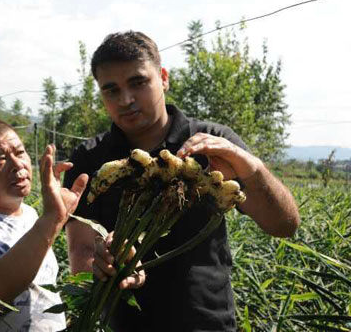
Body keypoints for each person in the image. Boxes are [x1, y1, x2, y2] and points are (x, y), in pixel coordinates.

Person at [63, 31, 300, 331]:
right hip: (122, 324)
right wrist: (106, 264)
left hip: (206, 322)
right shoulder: (90, 160)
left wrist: (250, 166)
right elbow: (81, 251)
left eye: (138, 82)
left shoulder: (213, 144)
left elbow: (284, 225)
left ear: (163, 78)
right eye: (111, 90)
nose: (126, 100)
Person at [0, 118, 88, 331]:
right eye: (0, 159)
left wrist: (54, 219)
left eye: (20, 153)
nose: (18, 165)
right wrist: (52, 219)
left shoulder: (30, 215)